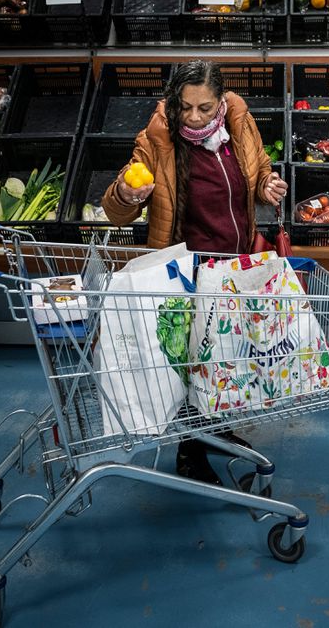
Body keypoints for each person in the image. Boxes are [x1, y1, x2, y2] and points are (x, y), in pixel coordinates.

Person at [103, 59, 289, 480]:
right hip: (187, 272)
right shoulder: (158, 139)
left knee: (222, 358)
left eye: (204, 108)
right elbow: (114, 209)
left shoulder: (238, 119)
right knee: (192, 363)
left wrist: (267, 185)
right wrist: (128, 194)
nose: (194, 117)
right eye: (185, 107)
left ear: (221, 101)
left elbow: (258, 167)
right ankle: (190, 453)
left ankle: (213, 430)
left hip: (236, 264)